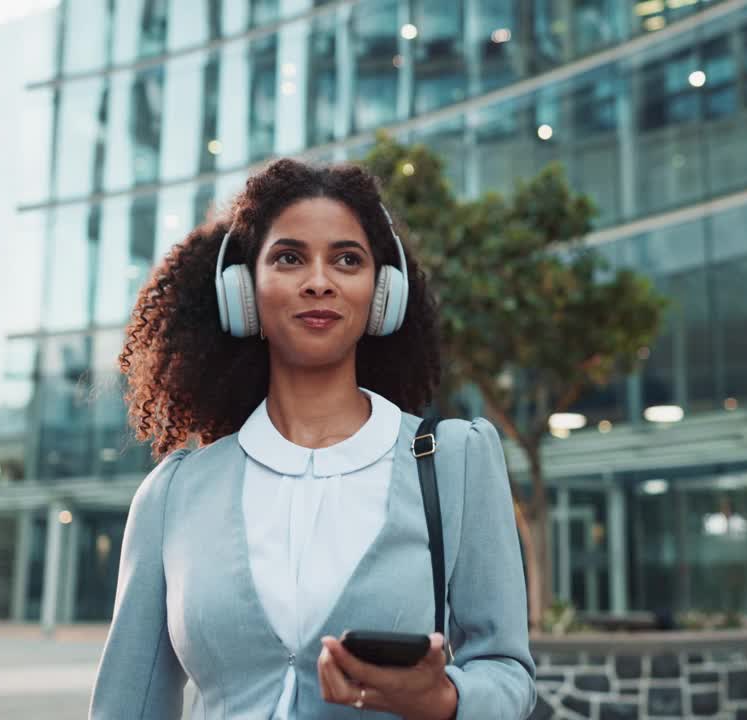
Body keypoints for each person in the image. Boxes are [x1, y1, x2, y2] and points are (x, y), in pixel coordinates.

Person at [89, 158, 535, 719]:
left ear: (383, 290)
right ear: (242, 289)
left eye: (347, 259)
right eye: (289, 257)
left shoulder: (454, 461)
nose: (319, 280)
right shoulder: (174, 493)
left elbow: (507, 673)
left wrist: (446, 699)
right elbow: (126, 708)